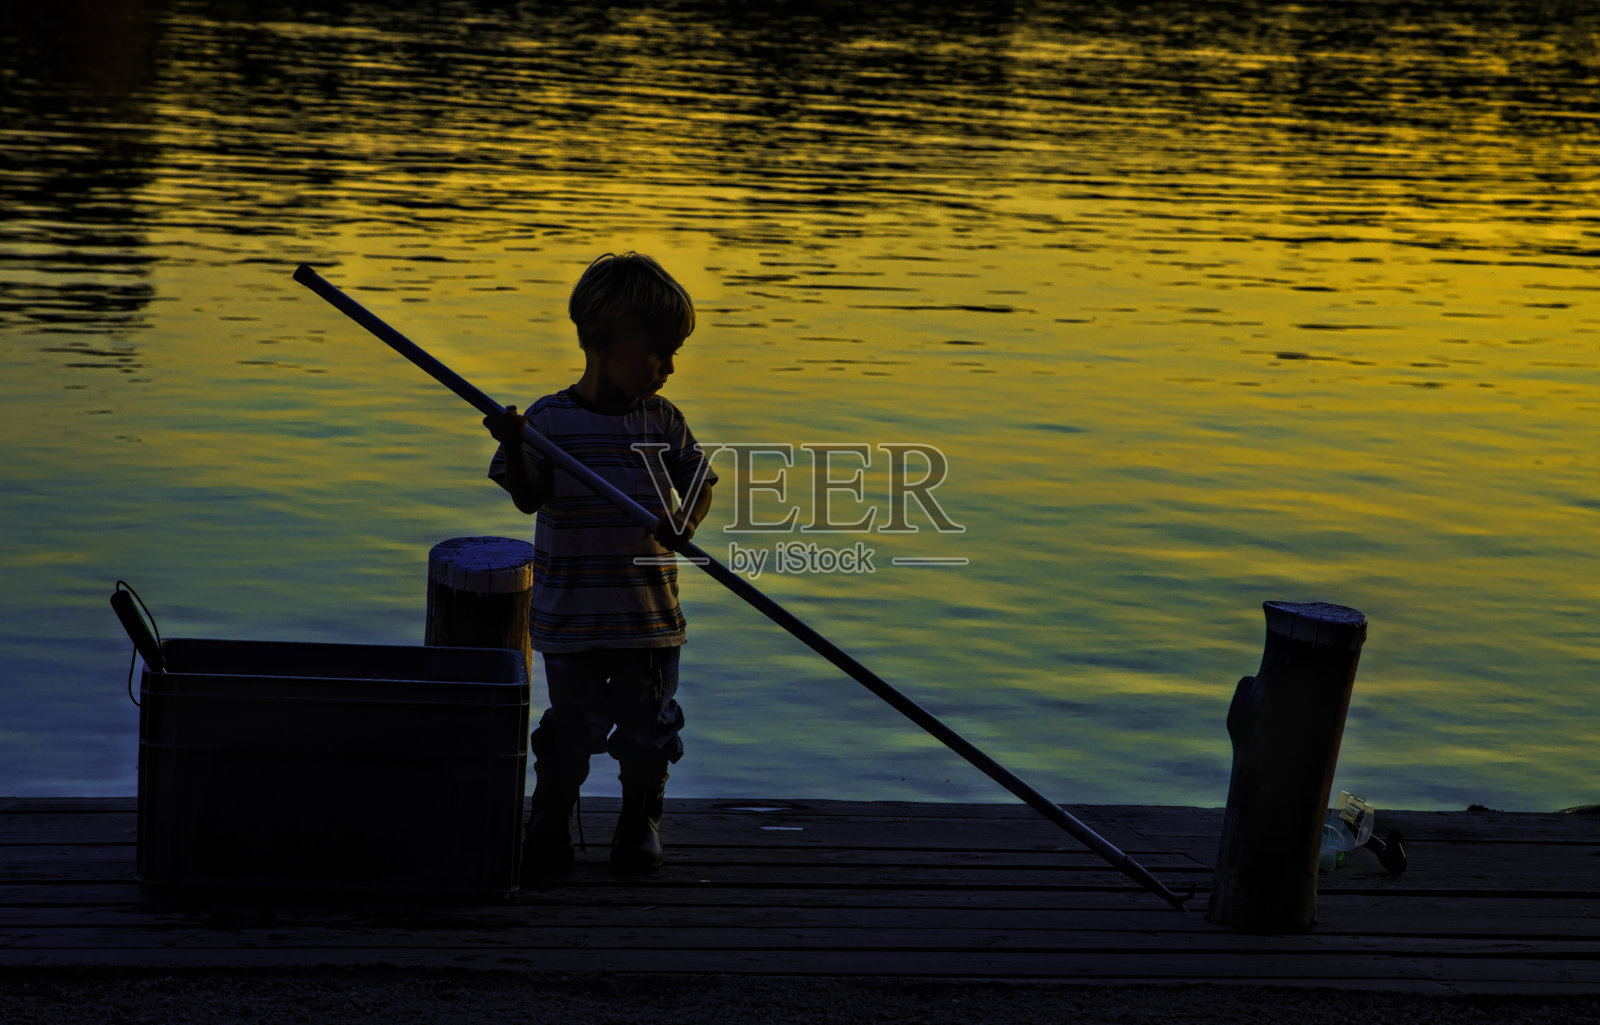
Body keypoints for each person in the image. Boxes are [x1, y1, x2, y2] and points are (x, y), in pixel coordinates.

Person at [483, 252, 717, 878]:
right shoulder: (551, 422)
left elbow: (700, 478)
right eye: (659, 351)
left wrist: (684, 523)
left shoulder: (661, 421)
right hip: (573, 621)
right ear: (607, 343)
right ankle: (550, 820)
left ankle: (639, 822)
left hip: (648, 621)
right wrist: (516, 444)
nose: (669, 368)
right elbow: (529, 496)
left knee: (649, 734)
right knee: (570, 734)